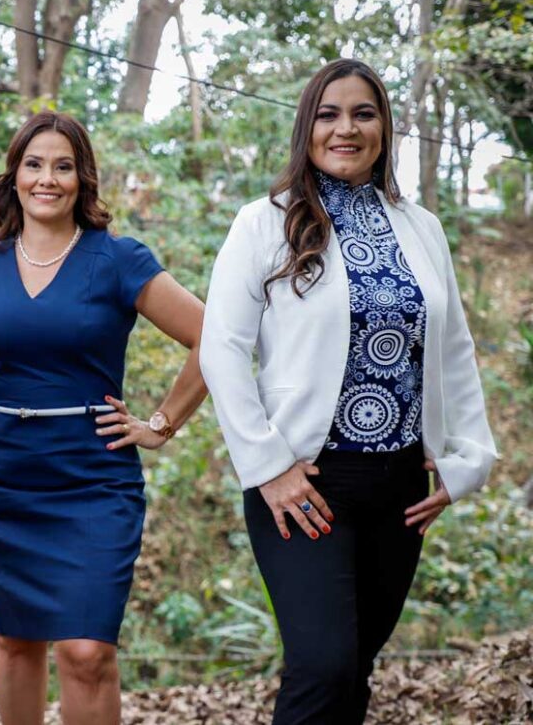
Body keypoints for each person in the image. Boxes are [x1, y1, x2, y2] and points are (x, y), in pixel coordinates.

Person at [199, 58, 497, 724]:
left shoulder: (422, 227)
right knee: (323, 667)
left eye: (364, 114)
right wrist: (268, 466)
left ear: (385, 128)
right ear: (307, 127)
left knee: (355, 667)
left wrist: (468, 461)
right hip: (305, 482)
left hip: (400, 486)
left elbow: (453, 348)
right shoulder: (263, 222)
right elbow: (221, 349)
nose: (347, 129)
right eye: (329, 114)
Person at [0, 111, 207, 725]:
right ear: (14, 175)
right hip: (3, 476)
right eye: (34, 164)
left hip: (94, 476)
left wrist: (161, 424)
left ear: (82, 179)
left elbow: (212, 337)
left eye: (62, 167)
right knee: (16, 641)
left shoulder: (118, 259)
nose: (47, 179)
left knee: (86, 652)